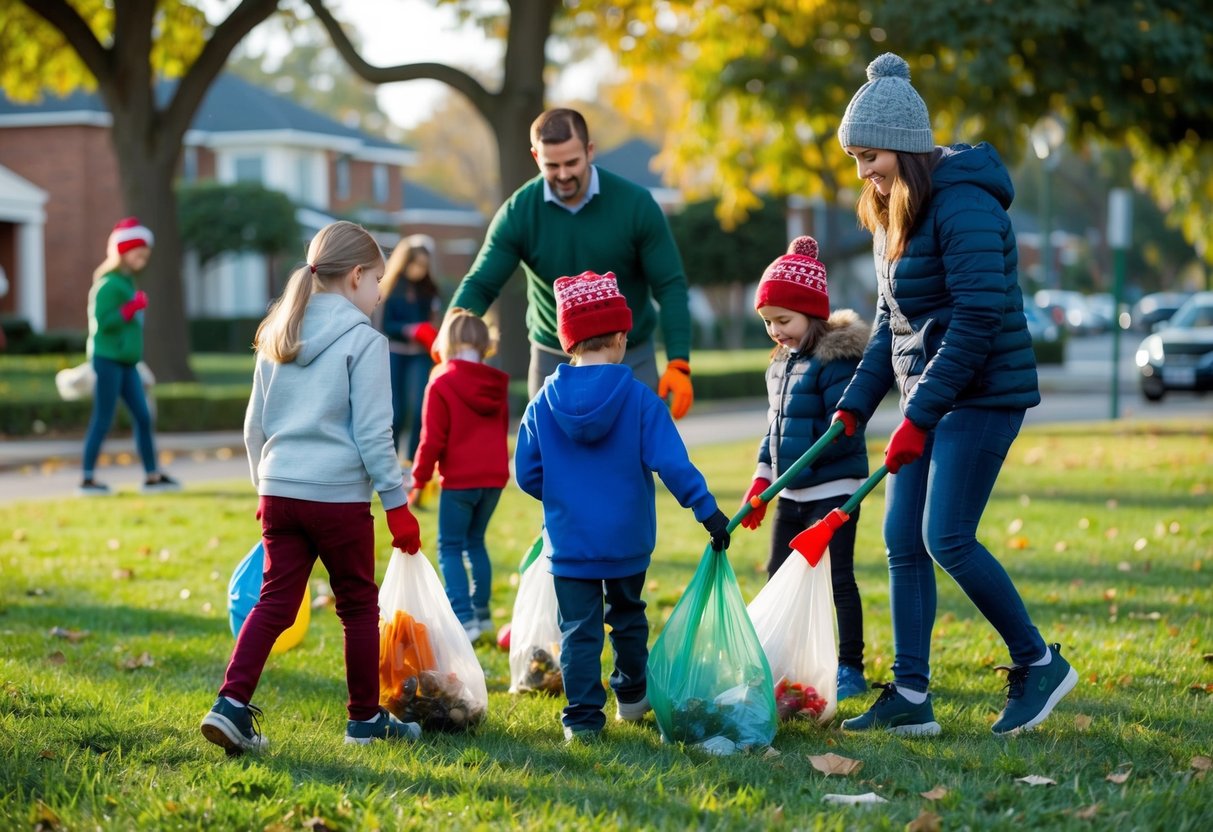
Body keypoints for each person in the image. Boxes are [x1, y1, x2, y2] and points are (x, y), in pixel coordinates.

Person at [831, 53, 1077, 735]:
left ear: (907, 148)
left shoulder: (963, 201)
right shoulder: (891, 209)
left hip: (981, 392)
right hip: (931, 397)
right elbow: (890, 324)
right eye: (855, 158)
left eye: (870, 156)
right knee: (899, 539)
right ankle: (911, 698)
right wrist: (856, 402)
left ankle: (1038, 662)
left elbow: (975, 318)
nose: (863, 172)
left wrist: (919, 413)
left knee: (947, 537)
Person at [200, 220, 423, 754]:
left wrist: (264, 488)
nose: (378, 293)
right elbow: (373, 434)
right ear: (354, 277)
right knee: (356, 606)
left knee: (274, 602)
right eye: (377, 281)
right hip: (338, 497)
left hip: (279, 492)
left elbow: (254, 426)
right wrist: (397, 506)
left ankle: (230, 705)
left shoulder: (278, 333)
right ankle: (364, 720)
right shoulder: (365, 342)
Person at [513, 270, 730, 742]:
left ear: (569, 342)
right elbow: (673, 464)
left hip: (569, 541)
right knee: (628, 614)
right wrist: (708, 512)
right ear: (619, 337)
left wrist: (561, 500)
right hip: (627, 538)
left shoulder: (541, 404)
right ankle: (632, 696)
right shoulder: (639, 400)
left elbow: (526, 474)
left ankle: (583, 720)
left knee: (578, 630)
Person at [447, 107, 695, 416]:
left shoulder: (635, 205)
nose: (563, 175)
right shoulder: (519, 213)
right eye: (552, 165)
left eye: (572, 163)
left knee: (637, 456)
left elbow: (669, 285)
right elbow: (482, 283)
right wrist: (451, 332)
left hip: (630, 354)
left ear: (590, 151)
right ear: (536, 157)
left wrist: (678, 361)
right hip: (554, 357)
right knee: (550, 457)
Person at [739, 235, 872, 702]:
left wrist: (822, 447)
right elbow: (772, 428)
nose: (776, 331)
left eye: (784, 320)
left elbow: (845, 424)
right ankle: (786, 660)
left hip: (833, 489)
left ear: (812, 314)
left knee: (836, 576)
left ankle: (850, 666)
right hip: (791, 494)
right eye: (768, 322)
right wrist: (762, 475)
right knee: (780, 573)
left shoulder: (835, 361)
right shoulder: (780, 364)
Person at [409, 310, 510, 643]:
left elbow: (431, 440)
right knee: (475, 542)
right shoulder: (497, 383)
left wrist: (418, 480)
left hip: (459, 480)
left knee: (450, 546)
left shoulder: (441, 381)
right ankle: (481, 616)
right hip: (493, 479)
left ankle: (463, 619)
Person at [78, 217, 179, 496]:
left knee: (143, 417)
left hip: (127, 362)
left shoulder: (125, 281)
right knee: (103, 418)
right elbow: (102, 322)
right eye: (139, 253)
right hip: (107, 360)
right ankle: (87, 479)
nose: (143, 259)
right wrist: (130, 307)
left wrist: (132, 306)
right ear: (124, 251)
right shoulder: (109, 284)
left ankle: (152, 475)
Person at [377, 235, 442, 465]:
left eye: (424, 265)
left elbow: (434, 322)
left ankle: (412, 462)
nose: (420, 270)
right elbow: (385, 326)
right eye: (416, 264)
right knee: (396, 411)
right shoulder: (392, 288)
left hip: (420, 356)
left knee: (418, 409)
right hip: (396, 353)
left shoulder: (430, 290)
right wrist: (410, 330)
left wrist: (429, 332)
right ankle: (388, 462)